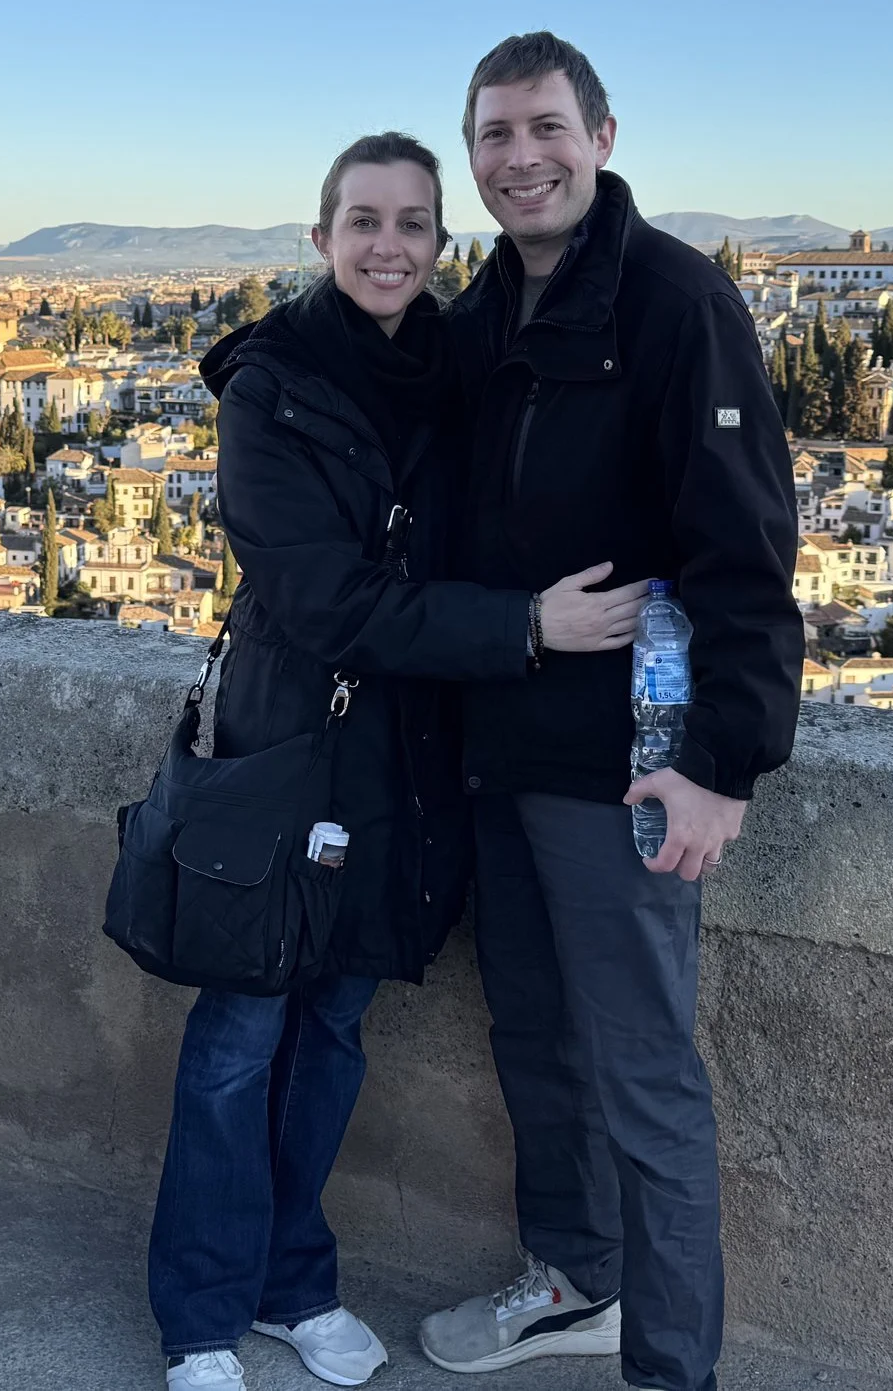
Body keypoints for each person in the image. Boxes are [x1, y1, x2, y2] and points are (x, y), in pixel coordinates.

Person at [153, 131, 651, 1391]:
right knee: (240, 1033)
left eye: (413, 224)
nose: (388, 246)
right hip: (287, 748)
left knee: (330, 1028)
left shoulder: (458, 372)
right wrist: (521, 628)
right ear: (320, 239)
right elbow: (321, 599)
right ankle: (202, 1314)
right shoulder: (268, 385)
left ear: (442, 245)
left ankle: (292, 1282)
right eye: (363, 222)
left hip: (406, 760)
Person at [420, 35, 802, 1391]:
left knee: (644, 1073)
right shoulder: (485, 312)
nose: (519, 158)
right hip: (501, 745)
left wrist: (720, 764)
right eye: (494, 135)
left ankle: (672, 1366)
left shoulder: (676, 302)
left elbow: (748, 550)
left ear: (603, 134)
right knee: (532, 1034)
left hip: (626, 768)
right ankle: (577, 1277)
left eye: (544, 128)